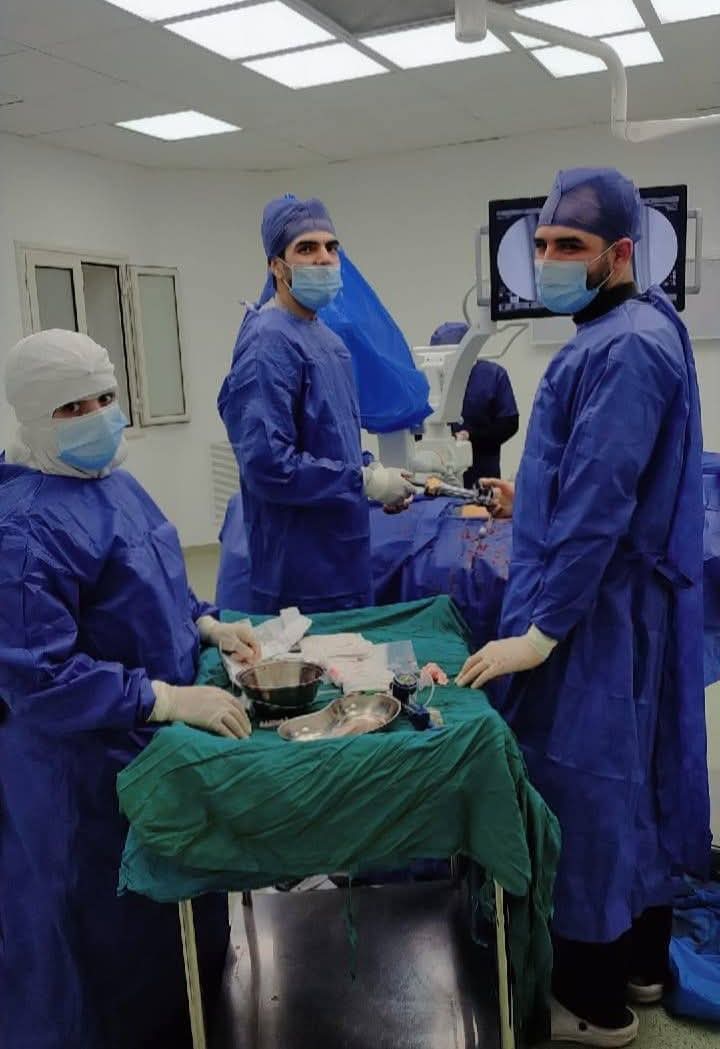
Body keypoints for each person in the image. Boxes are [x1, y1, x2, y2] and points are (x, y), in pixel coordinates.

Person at [457, 168, 710, 1046]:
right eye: (543, 245)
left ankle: (595, 1003)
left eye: (572, 245)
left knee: (588, 796)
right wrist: (524, 497)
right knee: (635, 790)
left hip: (594, 614)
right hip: (612, 603)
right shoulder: (639, 327)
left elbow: (601, 503)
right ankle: (641, 965)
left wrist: (541, 631)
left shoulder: (623, 347)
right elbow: (591, 474)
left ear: (622, 252)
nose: (551, 260)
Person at [0, 330, 260, 1049]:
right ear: (32, 415)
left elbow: (152, 578)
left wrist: (206, 623)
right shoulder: (23, 529)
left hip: (143, 746)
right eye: (73, 407)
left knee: (173, 932)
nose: (97, 417)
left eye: (106, 398)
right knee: (97, 946)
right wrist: (163, 699)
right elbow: (40, 680)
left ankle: (190, 1016)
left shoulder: (115, 481)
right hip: (78, 773)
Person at [218, 195, 415, 615]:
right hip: (298, 567)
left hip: (344, 555)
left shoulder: (329, 342)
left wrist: (374, 474)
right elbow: (268, 465)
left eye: (331, 247)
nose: (324, 258)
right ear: (277, 266)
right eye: (306, 248)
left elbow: (334, 440)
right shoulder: (268, 342)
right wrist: (361, 482)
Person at [429, 321, 519, 486]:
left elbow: (509, 424)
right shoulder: (430, 377)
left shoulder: (493, 375)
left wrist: (472, 437)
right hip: (435, 474)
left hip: (483, 472)